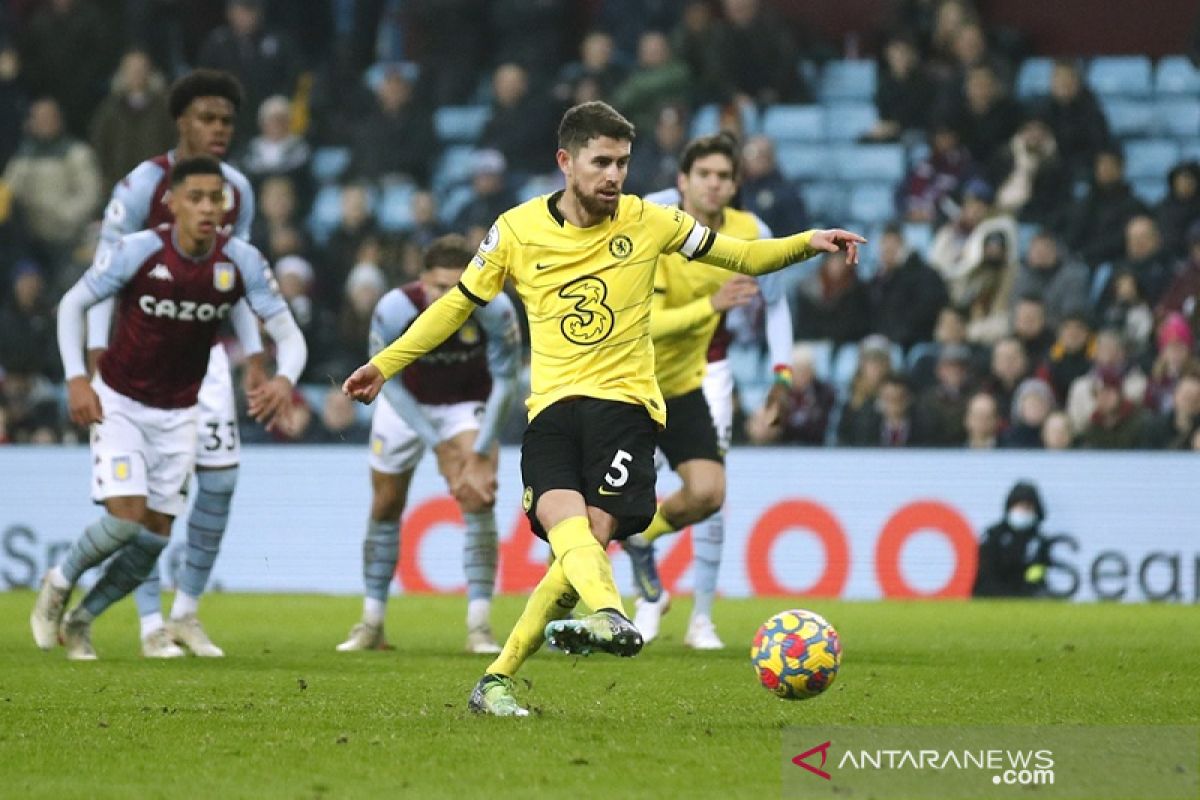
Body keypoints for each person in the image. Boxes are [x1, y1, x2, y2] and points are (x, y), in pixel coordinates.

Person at [342, 101, 863, 716]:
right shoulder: (514, 230)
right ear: (566, 162)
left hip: (625, 408)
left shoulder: (652, 220)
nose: (615, 176)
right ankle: (545, 655)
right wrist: (387, 362)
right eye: (602, 162)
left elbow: (744, 257)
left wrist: (810, 241)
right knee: (569, 534)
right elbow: (457, 305)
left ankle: (532, 658)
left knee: (586, 540)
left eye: (622, 163)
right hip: (553, 408)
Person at [31, 156, 306, 660]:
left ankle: (83, 618)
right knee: (124, 520)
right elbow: (73, 303)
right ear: (173, 203)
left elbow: (290, 335)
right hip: (121, 401)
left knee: (155, 537)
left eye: (215, 199)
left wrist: (283, 377)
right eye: (195, 197)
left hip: (180, 413)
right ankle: (59, 579)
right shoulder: (138, 250)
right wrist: (76, 378)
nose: (207, 208)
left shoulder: (239, 260)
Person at [85, 70, 263, 658]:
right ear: (181, 123)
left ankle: (186, 611)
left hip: (203, 353)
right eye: (207, 119)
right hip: (140, 358)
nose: (218, 130)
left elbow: (234, 277)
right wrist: (92, 357)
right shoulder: (142, 185)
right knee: (152, 496)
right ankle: (148, 622)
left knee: (223, 479)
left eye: (227, 121)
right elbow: (100, 277)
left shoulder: (238, 187)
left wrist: (252, 358)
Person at [614, 132, 800, 650]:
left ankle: (701, 619)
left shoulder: (750, 230)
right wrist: (713, 305)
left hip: (701, 371)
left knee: (711, 495)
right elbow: (639, 321)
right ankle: (630, 609)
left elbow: (777, 303)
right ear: (682, 181)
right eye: (705, 175)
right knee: (606, 500)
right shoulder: (649, 218)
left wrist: (781, 375)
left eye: (724, 177)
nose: (715, 185)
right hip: (624, 374)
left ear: (736, 184)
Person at [337, 235, 521, 654]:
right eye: (439, 287)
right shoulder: (394, 309)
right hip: (407, 406)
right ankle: (371, 623)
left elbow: (507, 380)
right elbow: (390, 384)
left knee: (479, 495)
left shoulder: (496, 307)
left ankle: (479, 626)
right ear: (422, 282)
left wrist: (478, 450)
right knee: (385, 504)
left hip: (465, 406)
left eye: (458, 287)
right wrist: (439, 445)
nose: (448, 298)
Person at [972, 481, 1051, 597]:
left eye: (1028, 507)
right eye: (1019, 506)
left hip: (1025, 599)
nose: (1023, 512)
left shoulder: (1039, 542)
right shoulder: (993, 536)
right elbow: (985, 572)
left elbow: (1038, 574)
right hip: (990, 596)